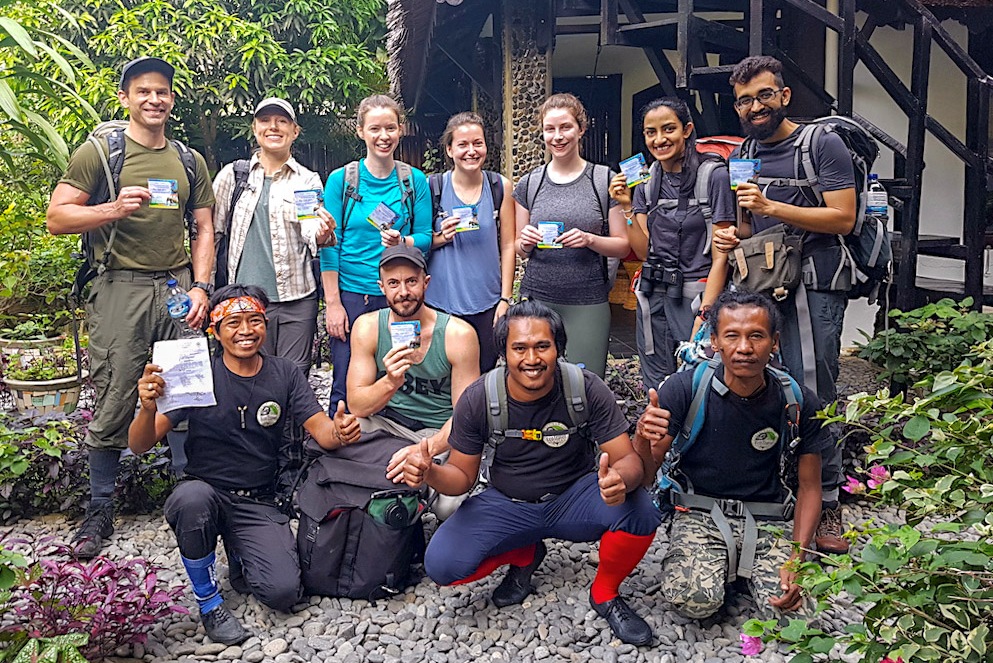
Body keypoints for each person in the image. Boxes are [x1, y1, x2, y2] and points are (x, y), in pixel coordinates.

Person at [402, 300, 662, 646]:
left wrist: (620, 481)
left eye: (543, 346)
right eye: (519, 348)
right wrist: (430, 474)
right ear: (503, 352)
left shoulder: (585, 389)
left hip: (576, 498)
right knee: (442, 565)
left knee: (641, 510)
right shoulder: (479, 398)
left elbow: (628, 460)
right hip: (509, 502)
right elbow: (462, 478)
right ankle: (525, 553)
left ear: (559, 348)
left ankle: (605, 593)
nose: (532, 359)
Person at [46, 57, 215, 559]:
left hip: (176, 284)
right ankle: (100, 507)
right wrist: (113, 208)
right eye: (143, 91)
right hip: (118, 285)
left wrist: (202, 286)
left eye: (162, 91)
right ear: (125, 98)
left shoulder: (188, 160)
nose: (154, 100)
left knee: (184, 386)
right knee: (119, 388)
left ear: (171, 99)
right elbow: (57, 216)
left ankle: (190, 495)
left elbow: (203, 227)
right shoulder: (101, 152)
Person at [128, 284, 361, 645]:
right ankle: (208, 601)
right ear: (215, 331)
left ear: (265, 324)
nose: (246, 331)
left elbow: (324, 433)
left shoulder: (284, 373)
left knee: (283, 593)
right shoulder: (197, 371)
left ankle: (240, 551)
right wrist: (146, 407)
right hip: (206, 491)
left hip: (258, 500)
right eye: (233, 322)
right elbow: (140, 443)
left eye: (254, 320)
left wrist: (342, 430)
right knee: (191, 501)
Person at [635, 289, 831, 619]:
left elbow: (810, 487)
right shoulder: (685, 390)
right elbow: (645, 474)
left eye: (756, 336)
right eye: (732, 336)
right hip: (700, 510)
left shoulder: (797, 401)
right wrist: (642, 436)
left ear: (775, 342)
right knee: (695, 601)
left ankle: (741, 567)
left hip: (769, 516)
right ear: (715, 341)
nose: (744, 348)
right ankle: (724, 566)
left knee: (800, 615)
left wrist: (797, 558)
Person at [729, 55, 853, 554]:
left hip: (815, 283)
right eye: (743, 100)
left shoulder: (822, 144)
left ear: (784, 96)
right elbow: (745, 226)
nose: (754, 106)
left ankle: (827, 502)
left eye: (762, 95)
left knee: (815, 387)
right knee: (770, 384)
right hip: (764, 285)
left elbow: (844, 217)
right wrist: (729, 236)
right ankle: (783, 486)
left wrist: (770, 206)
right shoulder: (743, 150)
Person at [608, 98, 737, 388]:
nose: (659, 139)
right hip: (654, 294)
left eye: (668, 129)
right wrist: (627, 206)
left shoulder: (713, 177)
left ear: (687, 129)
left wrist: (707, 312)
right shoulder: (646, 181)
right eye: (650, 132)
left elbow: (721, 257)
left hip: (696, 292)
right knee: (655, 378)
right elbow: (644, 250)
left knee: (698, 374)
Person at [346, 243, 480, 517]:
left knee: (449, 507)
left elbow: (465, 416)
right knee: (348, 430)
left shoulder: (458, 334)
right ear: (381, 287)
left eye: (411, 282)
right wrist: (390, 382)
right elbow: (357, 405)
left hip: (436, 432)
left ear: (426, 283)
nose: (403, 292)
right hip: (387, 424)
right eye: (393, 283)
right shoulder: (367, 327)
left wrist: (423, 450)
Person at [320, 95, 433, 414]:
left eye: (390, 128)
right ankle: (340, 446)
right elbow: (330, 243)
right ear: (360, 132)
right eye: (375, 128)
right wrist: (333, 304)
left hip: (401, 295)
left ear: (400, 130)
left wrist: (404, 241)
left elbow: (426, 237)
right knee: (345, 376)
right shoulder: (342, 181)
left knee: (402, 372)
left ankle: (397, 443)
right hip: (354, 296)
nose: (383, 136)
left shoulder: (414, 181)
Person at [212, 97, 336, 376]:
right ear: (255, 129)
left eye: (282, 121)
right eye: (266, 121)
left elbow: (310, 228)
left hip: (296, 299)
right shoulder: (233, 176)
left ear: (294, 131)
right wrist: (206, 289)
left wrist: (323, 234)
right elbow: (213, 235)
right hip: (244, 303)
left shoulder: (306, 180)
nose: (274, 127)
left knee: (293, 378)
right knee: (247, 375)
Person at [514, 93, 630, 379]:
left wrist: (590, 240)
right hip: (536, 298)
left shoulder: (603, 179)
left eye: (565, 127)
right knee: (534, 378)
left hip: (587, 300)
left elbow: (622, 245)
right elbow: (519, 247)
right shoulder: (530, 183)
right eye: (550, 129)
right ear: (542, 133)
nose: (558, 136)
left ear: (581, 129)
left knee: (585, 381)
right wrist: (525, 242)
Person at [425, 112, 516, 372]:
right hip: (440, 304)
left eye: (478, 143)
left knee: (484, 374)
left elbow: (508, 245)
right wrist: (441, 237)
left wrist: (505, 299)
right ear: (449, 149)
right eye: (463, 145)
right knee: (444, 375)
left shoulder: (499, 186)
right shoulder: (433, 188)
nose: (471, 151)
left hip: (487, 304)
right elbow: (419, 243)